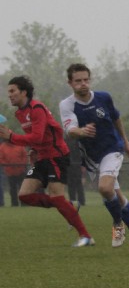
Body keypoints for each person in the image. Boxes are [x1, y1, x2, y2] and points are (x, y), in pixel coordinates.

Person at [59, 64, 129, 255]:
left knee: (105, 188)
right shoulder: (67, 105)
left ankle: (118, 223)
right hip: (91, 157)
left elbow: (116, 119)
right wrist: (81, 131)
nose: (83, 84)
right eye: (78, 81)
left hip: (112, 149)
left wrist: (125, 141)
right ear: (70, 83)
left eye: (86, 80)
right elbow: (70, 130)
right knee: (116, 197)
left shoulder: (103, 97)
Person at [0, 75, 94, 246]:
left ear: (24, 92)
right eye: (9, 92)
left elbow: (37, 136)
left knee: (56, 196)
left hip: (56, 156)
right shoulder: (19, 113)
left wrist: (12, 136)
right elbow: (35, 139)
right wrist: (34, 150)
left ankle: (86, 236)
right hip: (42, 157)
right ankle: (69, 205)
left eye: (13, 91)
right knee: (24, 196)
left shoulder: (37, 108)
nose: (10, 95)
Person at [0, 139, 24, 206]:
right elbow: (1, 159)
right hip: (9, 172)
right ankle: (14, 204)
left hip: (21, 170)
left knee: (22, 188)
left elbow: (24, 156)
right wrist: (7, 166)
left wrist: (21, 165)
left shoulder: (20, 144)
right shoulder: (2, 147)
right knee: (12, 189)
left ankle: (24, 203)